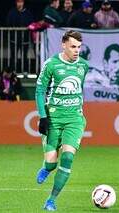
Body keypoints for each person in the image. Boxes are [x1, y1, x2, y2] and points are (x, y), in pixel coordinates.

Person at [35, 30, 88, 211]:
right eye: (73, 46)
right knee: (51, 162)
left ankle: (51, 200)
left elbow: (79, 89)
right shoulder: (51, 65)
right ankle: (47, 168)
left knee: (67, 158)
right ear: (63, 45)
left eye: (79, 47)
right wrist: (43, 117)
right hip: (53, 120)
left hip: (74, 119)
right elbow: (40, 91)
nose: (77, 50)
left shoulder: (83, 65)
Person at [6, 0, 34, 72]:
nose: (20, 3)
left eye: (21, 2)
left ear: (23, 3)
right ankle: (12, 71)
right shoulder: (12, 12)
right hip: (14, 38)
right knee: (13, 55)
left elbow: (31, 23)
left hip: (25, 38)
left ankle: (25, 71)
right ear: (16, 3)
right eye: (18, 2)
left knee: (24, 56)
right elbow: (8, 23)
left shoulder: (28, 13)